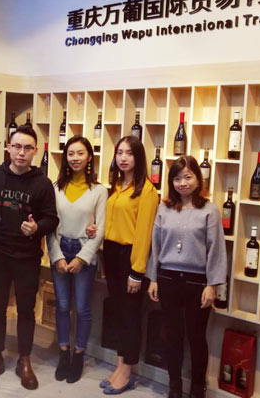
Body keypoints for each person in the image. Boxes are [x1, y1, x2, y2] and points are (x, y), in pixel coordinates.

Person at [0, 125, 59, 390]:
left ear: (36, 151)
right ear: (8, 147)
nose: (22, 153)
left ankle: (24, 359)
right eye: (17, 146)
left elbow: (52, 219)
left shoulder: (42, 183)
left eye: (28, 148)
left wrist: (37, 228)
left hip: (27, 257)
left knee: (26, 310)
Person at [146, 156, 227, 398]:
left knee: (196, 337)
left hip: (197, 282)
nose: (183, 183)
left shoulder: (209, 210)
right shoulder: (164, 208)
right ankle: (174, 386)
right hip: (168, 279)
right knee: (172, 335)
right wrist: (153, 278)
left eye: (188, 177)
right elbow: (155, 245)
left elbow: (216, 249)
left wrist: (212, 284)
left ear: (198, 180)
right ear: (171, 182)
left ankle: (197, 388)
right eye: (177, 178)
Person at [46, 135, 107, 384]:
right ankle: (64, 353)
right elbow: (49, 225)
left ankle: (79, 355)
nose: (75, 158)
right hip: (60, 250)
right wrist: (57, 256)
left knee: (82, 308)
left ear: (89, 157)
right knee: (62, 306)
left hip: (84, 252)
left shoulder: (99, 191)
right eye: (71, 153)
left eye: (80, 153)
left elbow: (100, 229)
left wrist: (82, 259)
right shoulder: (55, 188)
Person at [101, 135, 158, 395]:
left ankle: (127, 372)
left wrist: (137, 271)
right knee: (118, 312)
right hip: (112, 253)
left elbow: (144, 235)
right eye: (119, 152)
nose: (123, 158)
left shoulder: (146, 191)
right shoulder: (117, 185)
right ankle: (119, 365)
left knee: (130, 316)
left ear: (139, 157)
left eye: (129, 153)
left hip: (130, 258)